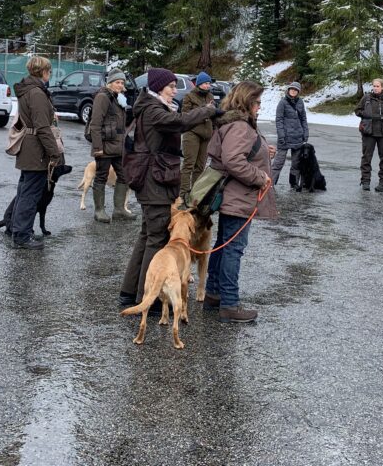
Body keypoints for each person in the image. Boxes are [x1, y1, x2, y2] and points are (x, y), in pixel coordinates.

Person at [118, 68, 217, 309]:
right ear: (158, 88)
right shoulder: (154, 110)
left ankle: (129, 292)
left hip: (155, 180)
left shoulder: (153, 106)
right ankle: (148, 298)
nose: (175, 91)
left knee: (147, 236)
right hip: (155, 182)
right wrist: (208, 111)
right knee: (156, 239)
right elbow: (180, 122)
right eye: (171, 86)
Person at [204, 80, 277, 323]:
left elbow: (238, 154)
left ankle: (214, 294)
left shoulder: (234, 123)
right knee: (233, 249)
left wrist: (263, 151)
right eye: (257, 102)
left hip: (234, 196)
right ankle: (229, 304)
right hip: (239, 197)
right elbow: (234, 160)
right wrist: (260, 177)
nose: (260, 107)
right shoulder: (240, 126)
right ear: (246, 102)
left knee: (224, 245)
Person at [10, 56, 63, 250]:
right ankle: (22, 235)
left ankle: (16, 229)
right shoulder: (37, 93)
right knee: (30, 194)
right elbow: (42, 127)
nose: (50, 74)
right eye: (49, 71)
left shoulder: (28, 89)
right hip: (36, 150)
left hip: (28, 147)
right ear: (43, 71)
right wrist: (54, 152)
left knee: (24, 190)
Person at [89, 71, 133, 223]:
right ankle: (99, 211)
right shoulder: (103, 97)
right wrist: (97, 148)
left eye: (122, 82)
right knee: (101, 176)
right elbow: (95, 125)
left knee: (124, 175)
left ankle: (119, 210)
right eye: (117, 82)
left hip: (118, 146)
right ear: (110, 83)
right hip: (105, 146)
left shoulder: (119, 98)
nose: (120, 85)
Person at [355, 78, 383, 191]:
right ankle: (365, 182)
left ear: (382, 87)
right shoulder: (366, 98)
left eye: (377, 86)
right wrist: (366, 114)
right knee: (366, 157)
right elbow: (357, 111)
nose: (375, 88)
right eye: (374, 86)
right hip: (368, 132)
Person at [180, 71, 216, 199]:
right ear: (199, 84)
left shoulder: (210, 96)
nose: (208, 86)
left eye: (209, 83)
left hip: (206, 135)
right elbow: (186, 115)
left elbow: (213, 114)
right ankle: (183, 195)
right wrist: (205, 108)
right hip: (192, 133)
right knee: (188, 165)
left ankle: (195, 195)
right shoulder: (189, 96)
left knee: (200, 167)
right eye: (205, 83)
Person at [271, 81, 308, 185]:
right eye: (292, 89)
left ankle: (294, 184)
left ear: (298, 92)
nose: (293, 91)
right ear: (288, 90)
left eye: (296, 90)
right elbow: (279, 120)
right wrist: (281, 135)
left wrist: (305, 133)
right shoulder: (282, 102)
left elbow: (303, 119)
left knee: (296, 164)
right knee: (278, 163)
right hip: (285, 138)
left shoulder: (300, 102)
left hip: (298, 137)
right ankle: (270, 184)